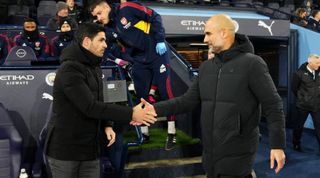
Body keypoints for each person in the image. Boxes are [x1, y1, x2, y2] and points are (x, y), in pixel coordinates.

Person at [141, 14, 286, 178]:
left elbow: (273, 105)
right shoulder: (206, 68)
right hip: (210, 156)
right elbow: (186, 101)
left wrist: (277, 145)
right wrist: (153, 109)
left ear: (224, 33)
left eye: (208, 33)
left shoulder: (253, 64)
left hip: (238, 158)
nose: (205, 39)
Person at [44, 22, 157, 178]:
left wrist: (107, 125)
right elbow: (89, 106)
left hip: (90, 150)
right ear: (86, 42)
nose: (105, 45)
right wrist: (131, 113)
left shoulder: (94, 66)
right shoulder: (69, 69)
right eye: (101, 40)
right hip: (65, 152)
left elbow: (99, 99)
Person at [90, 0, 178, 150]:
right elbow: (107, 48)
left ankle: (172, 133)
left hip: (157, 54)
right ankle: (144, 134)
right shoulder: (107, 29)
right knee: (142, 97)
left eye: (99, 13)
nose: (98, 17)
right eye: (95, 16)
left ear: (106, 7)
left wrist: (160, 39)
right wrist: (120, 60)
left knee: (166, 93)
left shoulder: (127, 8)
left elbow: (154, 16)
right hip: (139, 61)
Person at [291, 54, 320, 153]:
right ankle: (296, 143)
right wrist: (302, 98)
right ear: (310, 63)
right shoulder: (299, 73)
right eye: (317, 63)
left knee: (319, 127)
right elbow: (294, 89)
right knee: (299, 126)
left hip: (316, 105)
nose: (319, 64)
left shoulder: (318, 71)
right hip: (303, 105)